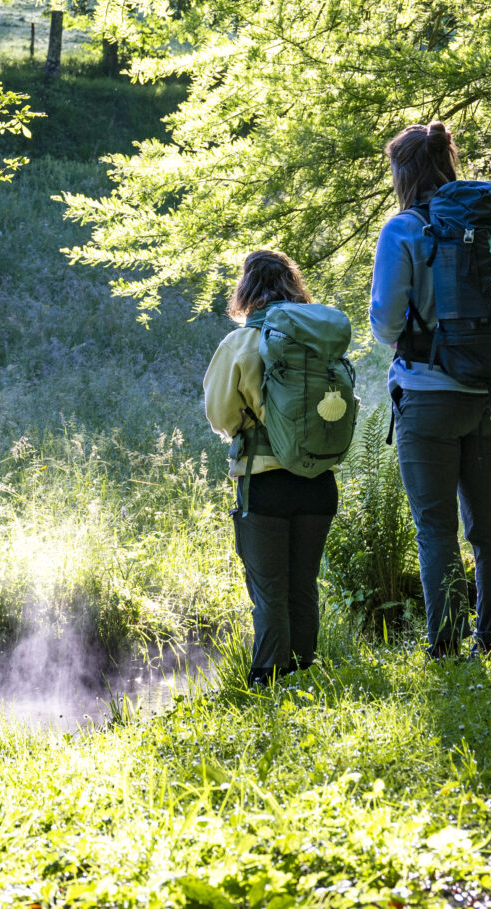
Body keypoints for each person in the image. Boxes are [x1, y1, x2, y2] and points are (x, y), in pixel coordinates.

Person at [370, 122, 491, 658]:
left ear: (403, 172)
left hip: (428, 397)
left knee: (436, 528)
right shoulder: (483, 222)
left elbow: (386, 324)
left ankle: (448, 645)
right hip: (490, 396)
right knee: (489, 524)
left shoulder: (404, 229)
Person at [202, 248, 341, 685]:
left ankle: (267, 681)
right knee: (303, 586)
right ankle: (304, 676)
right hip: (318, 482)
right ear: (293, 285)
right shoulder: (319, 341)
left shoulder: (241, 343)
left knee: (269, 593)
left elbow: (220, 416)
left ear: (245, 289)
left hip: (264, 485)